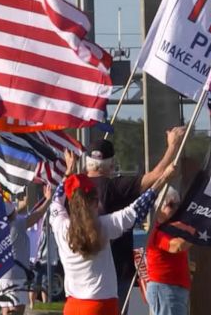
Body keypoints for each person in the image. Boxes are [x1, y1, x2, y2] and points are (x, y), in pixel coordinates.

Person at [50, 164, 176, 315]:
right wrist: (163, 178)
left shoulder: (60, 225)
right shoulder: (103, 226)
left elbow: (56, 199)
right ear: (96, 202)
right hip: (101, 305)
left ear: (71, 203)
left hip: (72, 306)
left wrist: (68, 174)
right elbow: (136, 210)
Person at [85, 126, 186, 313]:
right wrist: (172, 147)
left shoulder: (73, 190)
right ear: (112, 164)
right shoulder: (116, 187)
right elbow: (153, 178)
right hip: (116, 268)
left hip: (83, 272)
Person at [0, 183, 56, 315]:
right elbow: (37, 215)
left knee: (5, 309)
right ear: (12, 214)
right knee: (17, 310)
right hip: (16, 275)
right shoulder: (17, 224)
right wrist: (48, 200)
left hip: (1, 274)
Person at [146, 186, 192, 315]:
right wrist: (196, 233)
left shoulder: (173, 228)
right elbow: (177, 246)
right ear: (159, 207)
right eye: (171, 205)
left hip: (174, 289)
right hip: (165, 288)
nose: (176, 209)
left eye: (178, 204)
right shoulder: (160, 230)